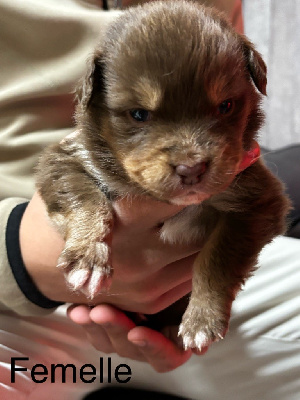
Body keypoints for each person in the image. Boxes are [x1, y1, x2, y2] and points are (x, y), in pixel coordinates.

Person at [0, 1, 299, 399]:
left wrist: (211, 291)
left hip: (181, 280)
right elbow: (62, 170)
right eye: (140, 114)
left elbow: (262, 208)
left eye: (225, 107)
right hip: (20, 266)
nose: (192, 159)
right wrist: (27, 256)